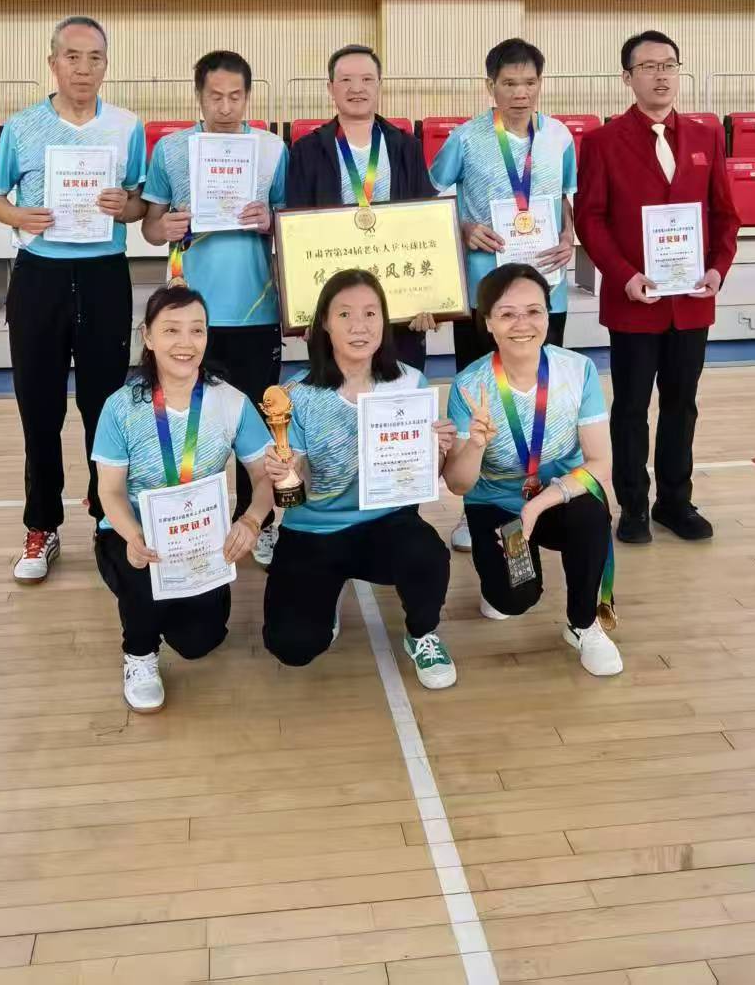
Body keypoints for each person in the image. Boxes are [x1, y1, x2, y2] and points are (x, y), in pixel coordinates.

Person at [0, 16, 146, 582]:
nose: (83, 67)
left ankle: (108, 517)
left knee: (105, 409)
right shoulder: (22, 125)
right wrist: (17, 215)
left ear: (106, 65)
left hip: (104, 277)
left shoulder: (127, 127)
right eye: (72, 56)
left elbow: (139, 204)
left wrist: (124, 207)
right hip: (40, 280)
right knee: (40, 410)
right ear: (53, 62)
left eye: (94, 57)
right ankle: (42, 526)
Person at [574, 31, 739, 545]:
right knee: (630, 408)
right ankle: (632, 507)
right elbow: (591, 219)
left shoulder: (707, 137)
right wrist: (623, 275)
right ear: (628, 78)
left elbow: (725, 215)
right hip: (634, 301)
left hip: (692, 301)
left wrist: (717, 269)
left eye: (669, 65)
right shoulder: (602, 142)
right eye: (648, 67)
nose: (661, 75)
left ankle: (675, 501)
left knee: (681, 405)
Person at [262, 269, 459, 690]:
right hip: (313, 529)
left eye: (370, 313)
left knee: (427, 556)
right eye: (345, 314)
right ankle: (327, 593)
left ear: (384, 321)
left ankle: (421, 634)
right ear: (324, 323)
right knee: (292, 646)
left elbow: (427, 477)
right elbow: (297, 492)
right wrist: (287, 472)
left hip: (385, 522)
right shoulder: (296, 395)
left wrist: (438, 448)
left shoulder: (410, 382)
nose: (359, 325)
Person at [91, 284, 275, 711]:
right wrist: (133, 535)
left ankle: (165, 607)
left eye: (197, 330)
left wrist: (251, 521)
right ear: (148, 337)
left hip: (200, 537)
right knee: (140, 575)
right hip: (134, 534)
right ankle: (139, 654)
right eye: (171, 330)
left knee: (198, 642)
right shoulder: (121, 407)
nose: (185, 342)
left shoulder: (231, 402)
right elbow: (110, 490)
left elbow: (264, 477)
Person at [141, 50, 287, 566]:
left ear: (248, 96)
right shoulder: (171, 150)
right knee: (188, 424)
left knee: (258, 426)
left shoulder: (271, 149)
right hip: (188, 315)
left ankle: (259, 521)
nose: (225, 107)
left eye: (235, 96)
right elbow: (150, 225)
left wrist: (270, 220)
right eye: (215, 96)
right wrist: (164, 227)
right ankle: (190, 522)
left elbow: (291, 219)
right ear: (198, 96)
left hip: (255, 310)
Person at [430, 39, 576, 553]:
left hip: (545, 292)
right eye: (509, 83)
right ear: (490, 85)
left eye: (529, 82)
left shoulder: (559, 136)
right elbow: (431, 197)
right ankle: (476, 510)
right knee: (480, 403)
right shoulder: (466, 138)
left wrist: (568, 235)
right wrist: (465, 227)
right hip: (482, 293)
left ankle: (542, 499)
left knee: (542, 399)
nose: (520, 93)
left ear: (540, 84)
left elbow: (565, 197)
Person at [443, 264, 621, 678]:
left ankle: (584, 624)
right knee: (512, 600)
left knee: (591, 513)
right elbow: (458, 484)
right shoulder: (469, 385)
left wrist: (538, 505)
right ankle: (502, 583)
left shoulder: (578, 370)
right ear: (488, 322)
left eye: (534, 311)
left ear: (548, 313)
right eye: (507, 314)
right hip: (498, 505)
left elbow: (600, 464)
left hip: (556, 497)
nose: (522, 324)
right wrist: (476, 444)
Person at [285, 44, 437, 370]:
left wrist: (428, 298)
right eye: (346, 80)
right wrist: (302, 306)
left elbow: (426, 224)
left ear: (379, 86)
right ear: (330, 88)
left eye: (367, 79)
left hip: (398, 303)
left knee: (397, 389)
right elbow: (296, 234)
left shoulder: (406, 147)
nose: (357, 88)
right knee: (336, 391)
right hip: (334, 301)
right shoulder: (307, 151)